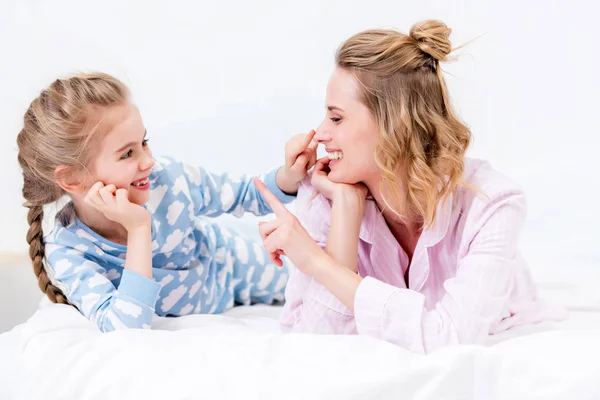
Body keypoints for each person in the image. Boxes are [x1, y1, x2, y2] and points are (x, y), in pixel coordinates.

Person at [255, 20, 565, 353]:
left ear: (394, 125)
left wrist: (318, 262)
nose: (319, 134)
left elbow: (449, 339)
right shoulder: (326, 194)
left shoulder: (492, 204)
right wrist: (346, 213)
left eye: (336, 118)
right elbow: (316, 346)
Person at [16, 73, 316, 332]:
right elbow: (127, 326)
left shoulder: (167, 179)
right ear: (72, 180)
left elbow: (242, 195)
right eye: (127, 154)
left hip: (230, 266)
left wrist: (289, 176)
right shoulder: (69, 250)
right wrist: (137, 228)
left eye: (143, 143)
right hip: (204, 296)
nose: (148, 161)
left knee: (314, 283)